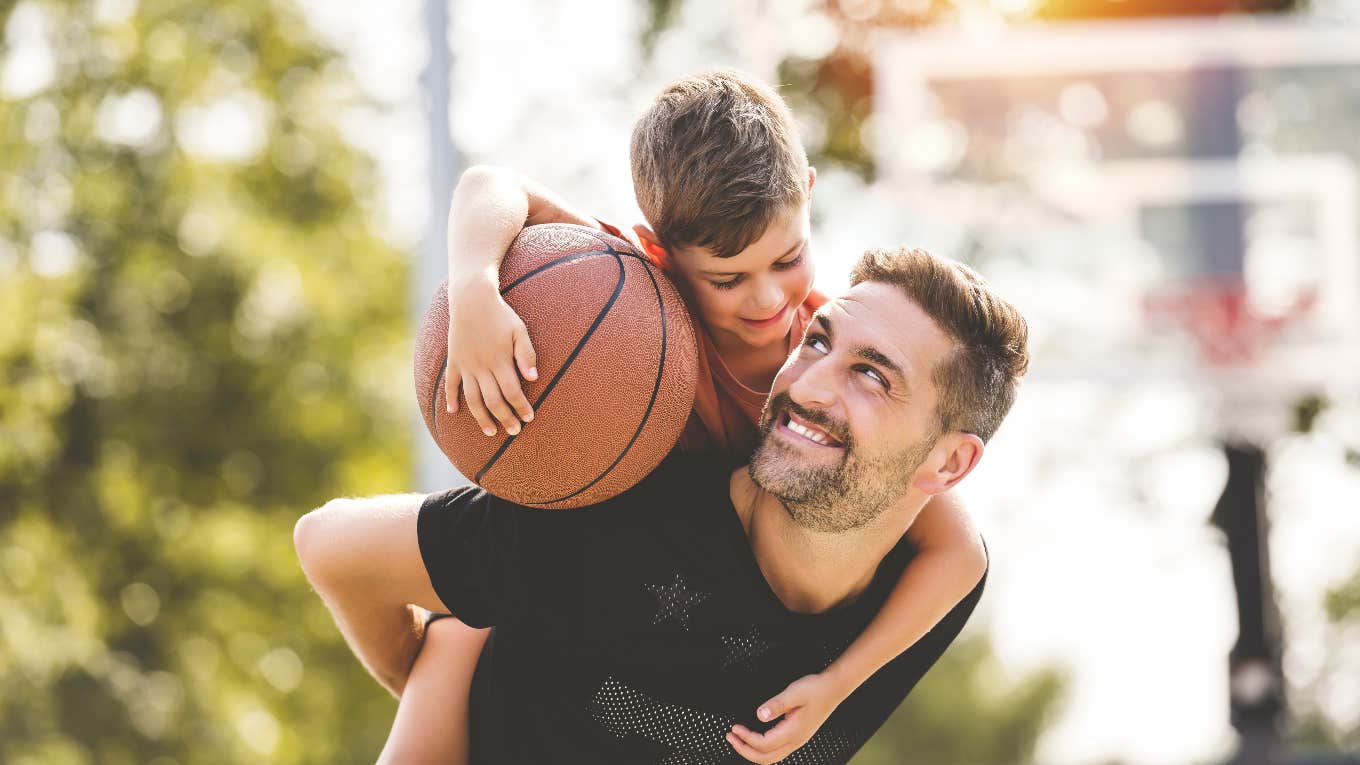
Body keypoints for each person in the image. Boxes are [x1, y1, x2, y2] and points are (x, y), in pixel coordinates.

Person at [384, 69, 988, 764]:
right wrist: (474, 286)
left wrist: (838, 685)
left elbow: (960, 553)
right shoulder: (630, 314)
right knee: (462, 626)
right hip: (564, 577)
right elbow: (490, 186)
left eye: (787, 258)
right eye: (727, 279)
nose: (767, 299)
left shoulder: (823, 363)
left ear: (809, 197)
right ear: (660, 250)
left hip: (672, 619)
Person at [295, 246, 1030, 764]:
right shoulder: (610, 519)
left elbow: (961, 551)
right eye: (817, 340)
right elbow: (327, 543)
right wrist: (423, 668)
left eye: (872, 376)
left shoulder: (925, 592)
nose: (808, 385)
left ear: (950, 462)